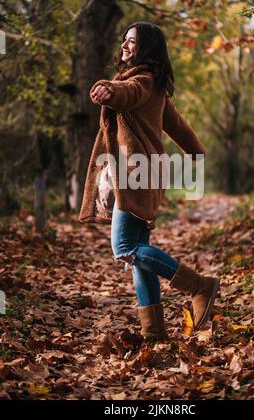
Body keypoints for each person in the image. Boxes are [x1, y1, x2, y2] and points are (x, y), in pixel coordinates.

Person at [83, 21, 219, 342]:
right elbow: (178, 126)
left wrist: (108, 88)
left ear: (147, 49)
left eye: (133, 41)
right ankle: (154, 333)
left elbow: (126, 94)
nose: (125, 46)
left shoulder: (142, 82)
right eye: (125, 40)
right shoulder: (156, 87)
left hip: (136, 174)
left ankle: (199, 285)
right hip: (143, 173)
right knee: (139, 257)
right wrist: (196, 153)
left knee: (125, 248)